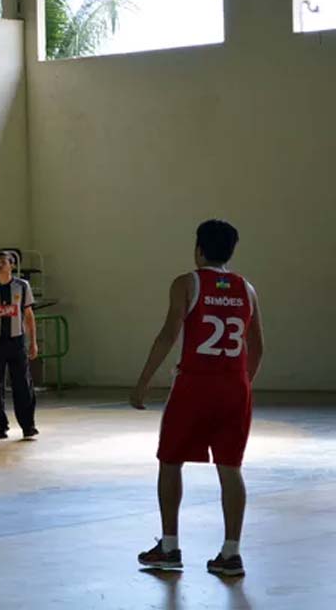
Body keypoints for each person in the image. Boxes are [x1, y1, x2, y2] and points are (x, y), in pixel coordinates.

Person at [132, 220, 263, 577]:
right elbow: (257, 347)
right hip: (234, 387)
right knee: (231, 468)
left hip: (194, 385)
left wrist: (143, 382)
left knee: (170, 460)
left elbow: (168, 335)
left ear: (199, 249)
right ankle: (231, 553)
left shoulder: (187, 283)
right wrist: (241, 385)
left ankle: (169, 546)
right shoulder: (247, 289)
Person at [0, 250, 39, 440]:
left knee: (23, 384)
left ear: (12, 265)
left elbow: (28, 315)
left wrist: (33, 342)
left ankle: (28, 425)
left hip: (17, 341)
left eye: (2, 262)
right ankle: (0, 426)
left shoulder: (22, 286)